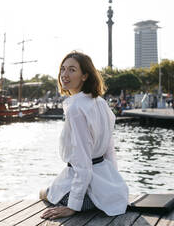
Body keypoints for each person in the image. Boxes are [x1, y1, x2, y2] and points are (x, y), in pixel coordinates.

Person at [40, 51, 129, 220]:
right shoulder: (101, 103)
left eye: (72, 70)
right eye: (63, 69)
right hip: (112, 191)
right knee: (52, 188)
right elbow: (109, 152)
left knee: (44, 193)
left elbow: (82, 162)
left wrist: (73, 206)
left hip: (88, 195)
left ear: (84, 76)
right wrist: (112, 183)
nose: (65, 75)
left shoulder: (75, 109)